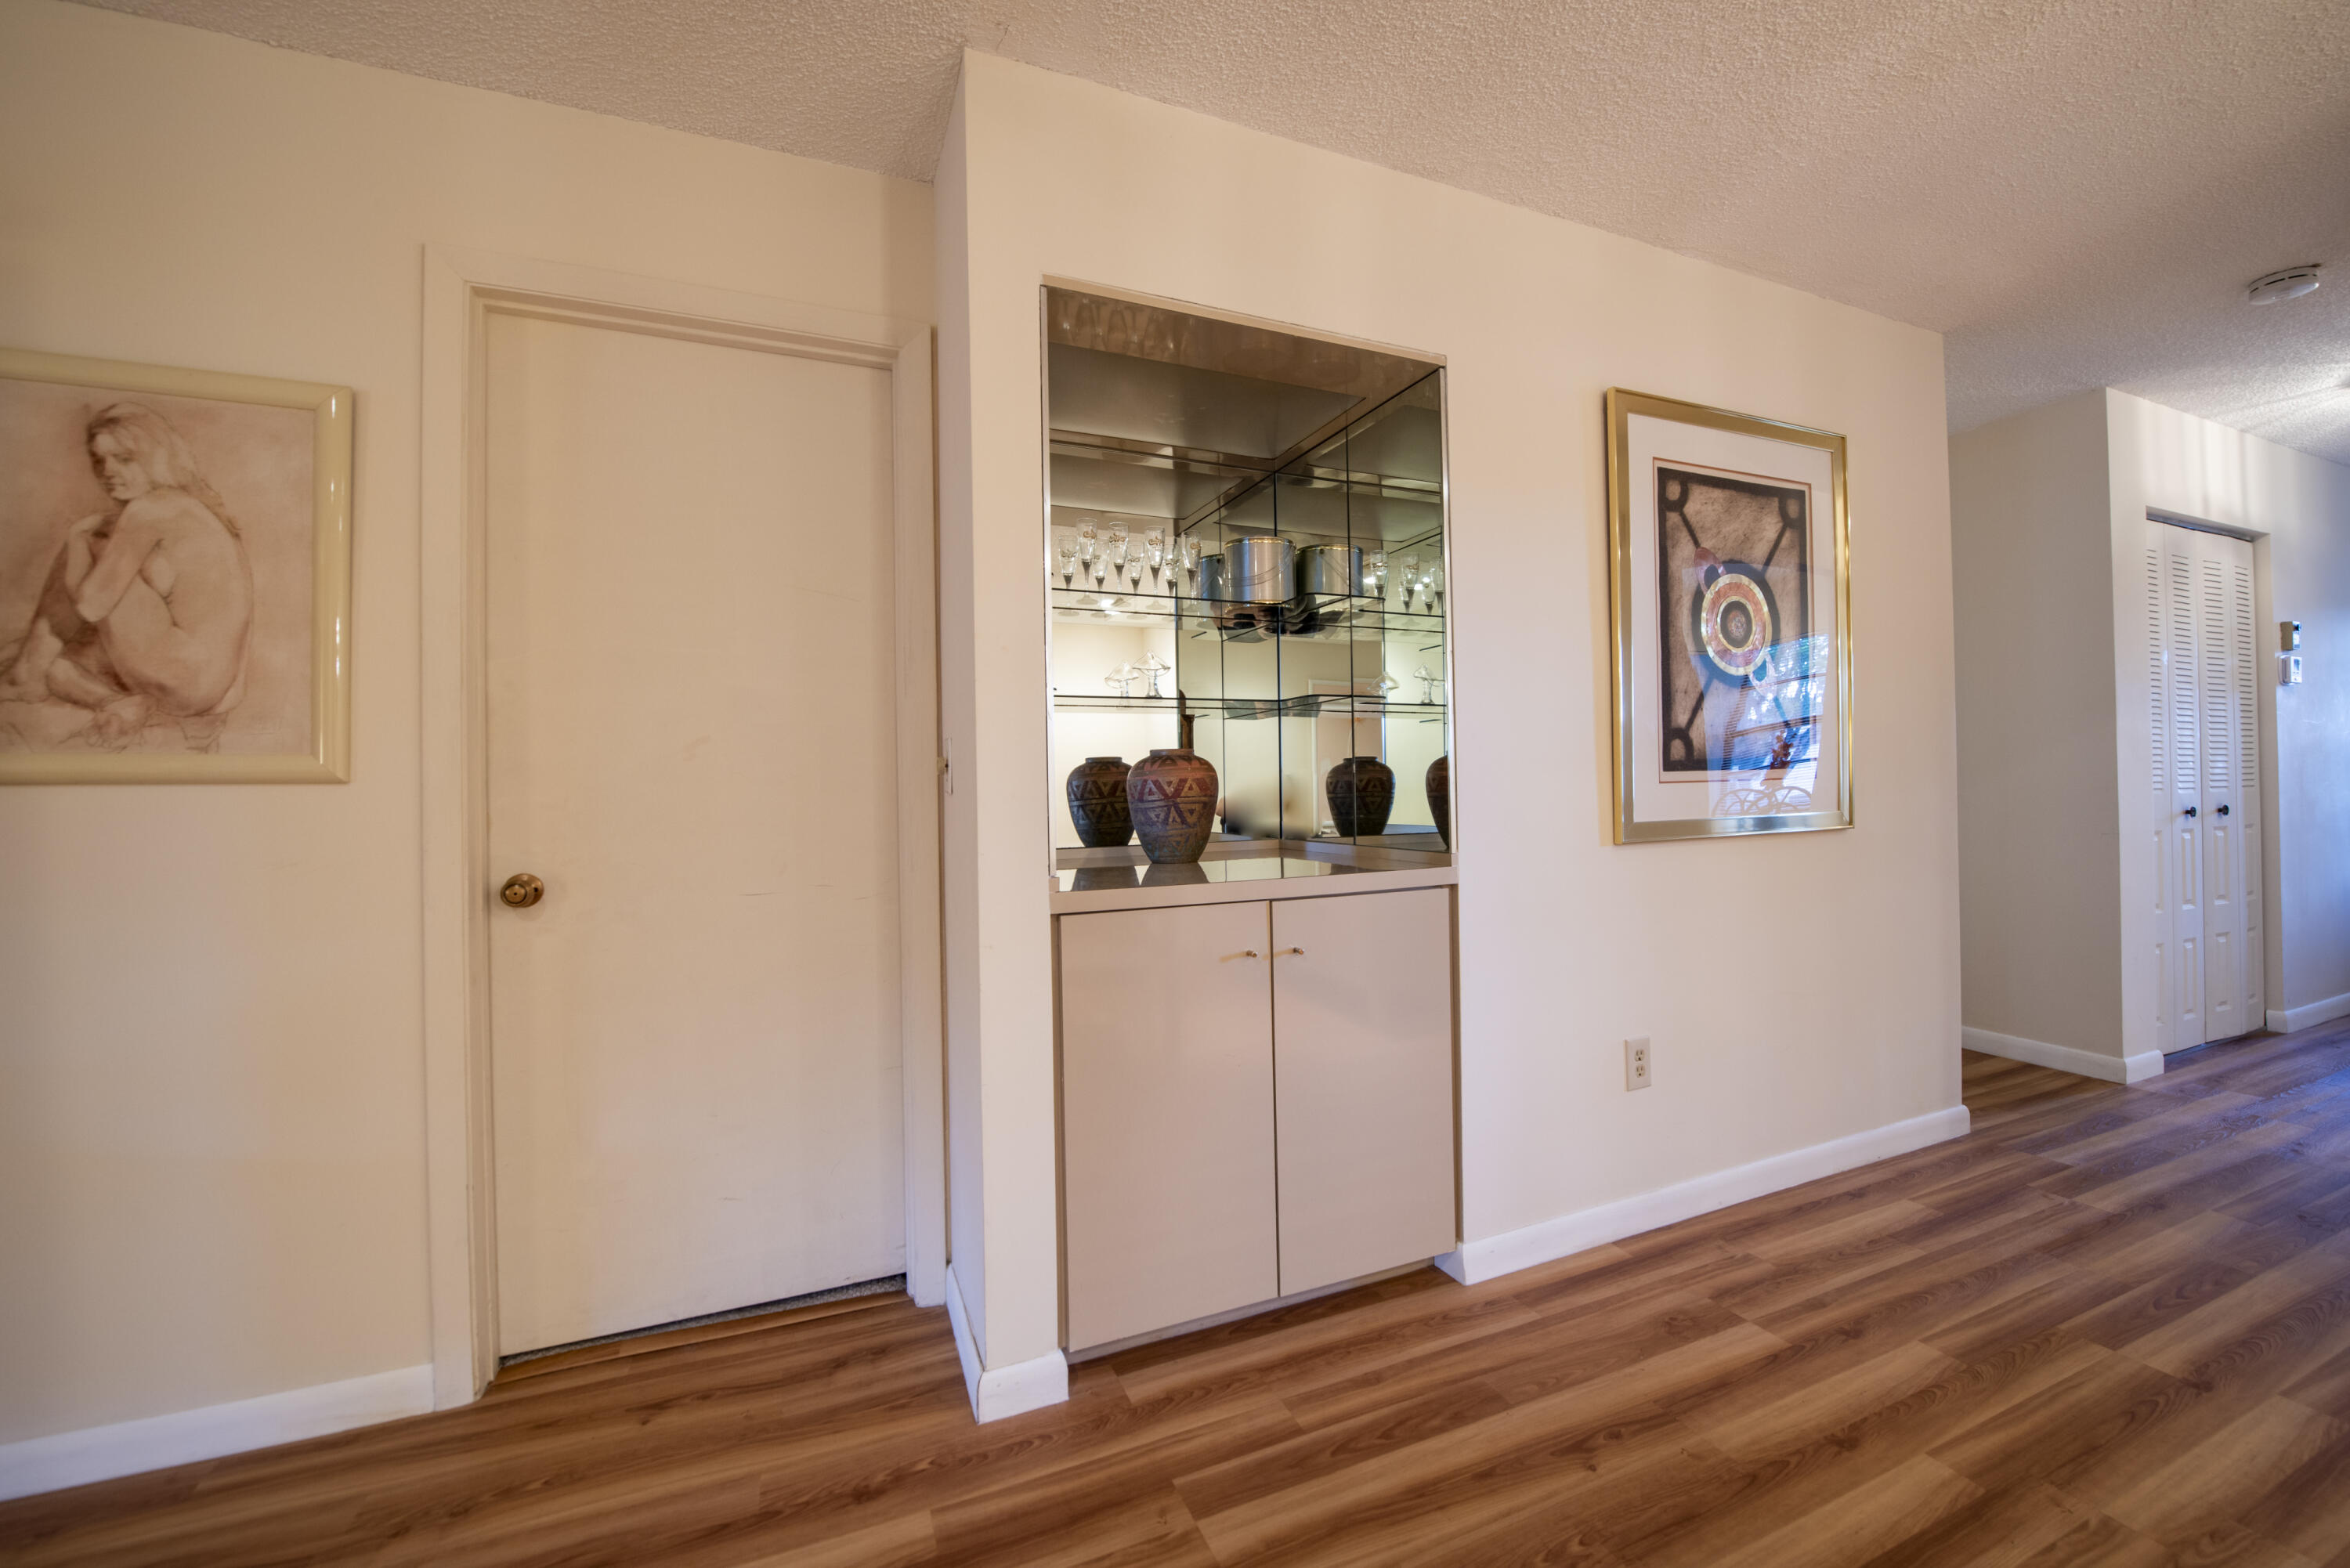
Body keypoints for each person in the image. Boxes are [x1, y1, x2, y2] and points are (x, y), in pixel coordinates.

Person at [0, 401, 253, 748]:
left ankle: (27, 674)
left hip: (184, 681)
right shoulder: (187, 508)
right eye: (99, 460)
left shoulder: (148, 510)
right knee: (54, 661)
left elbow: (90, 606)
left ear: (157, 458)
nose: (108, 471)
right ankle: (62, 681)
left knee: (92, 544)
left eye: (124, 459)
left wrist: (77, 536)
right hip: (214, 691)